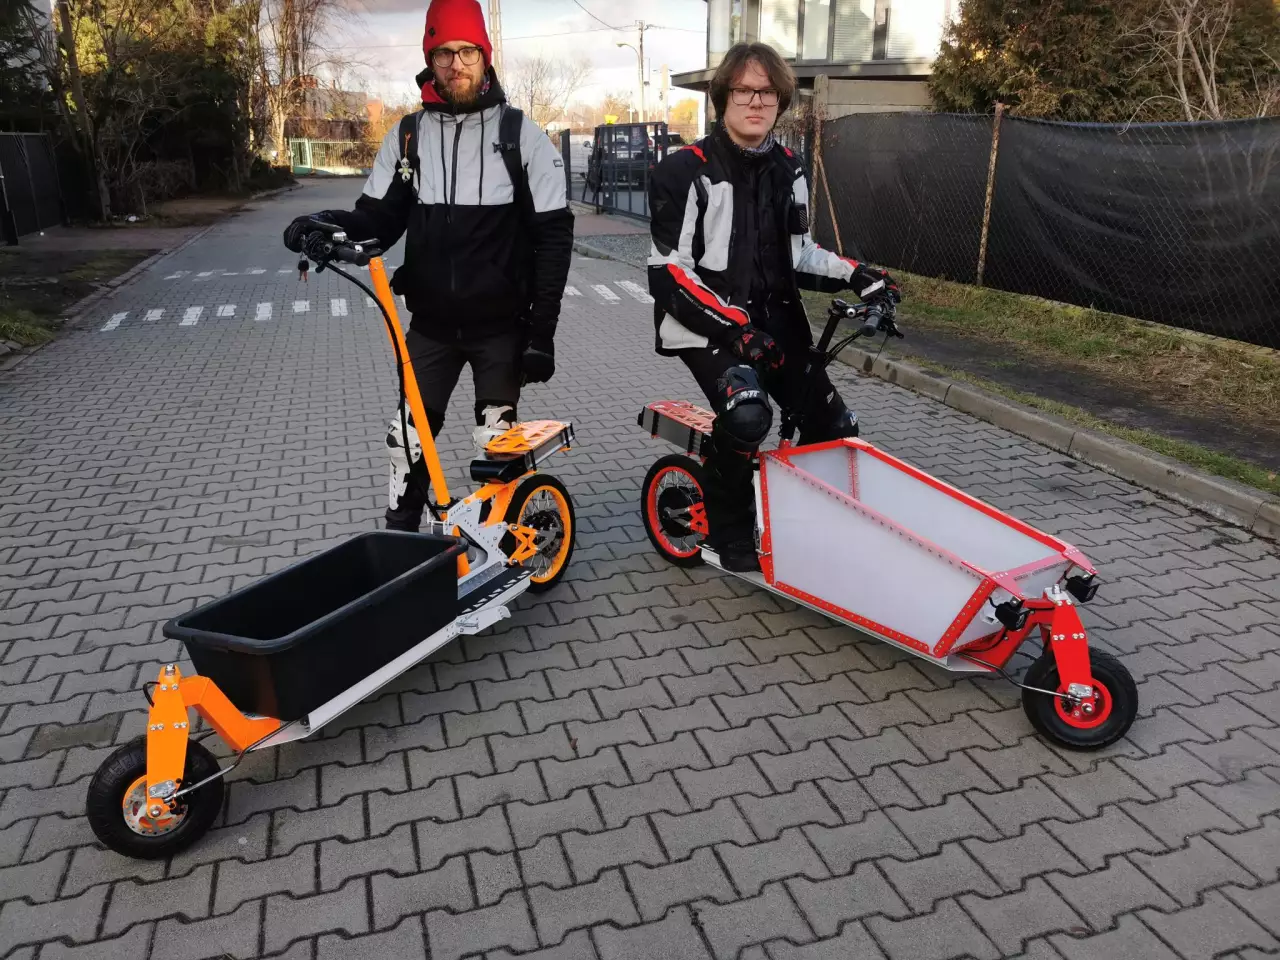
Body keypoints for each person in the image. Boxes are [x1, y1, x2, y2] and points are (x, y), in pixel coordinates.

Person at [282, 0, 573, 532]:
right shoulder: (408, 135)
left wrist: (542, 335)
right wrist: (326, 222)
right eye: (443, 54)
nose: (455, 64)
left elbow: (554, 239)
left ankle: (502, 545)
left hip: (499, 331)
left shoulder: (520, 135)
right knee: (405, 440)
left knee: (496, 447)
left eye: (467, 52)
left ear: (485, 56)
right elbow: (378, 218)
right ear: (430, 60)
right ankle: (402, 541)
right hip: (431, 329)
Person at [646, 42, 899, 572]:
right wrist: (736, 330)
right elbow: (669, 274)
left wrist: (859, 276)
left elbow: (800, 254)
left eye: (767, 92)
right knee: (747, 416)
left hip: (776, 323)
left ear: (780, 100)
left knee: (835, 427)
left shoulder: (789, 167)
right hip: (707, 327)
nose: (755, 102)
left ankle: (805, 520)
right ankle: (728, 528)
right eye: (743, 90)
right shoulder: (684, 170)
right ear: (723, 97)